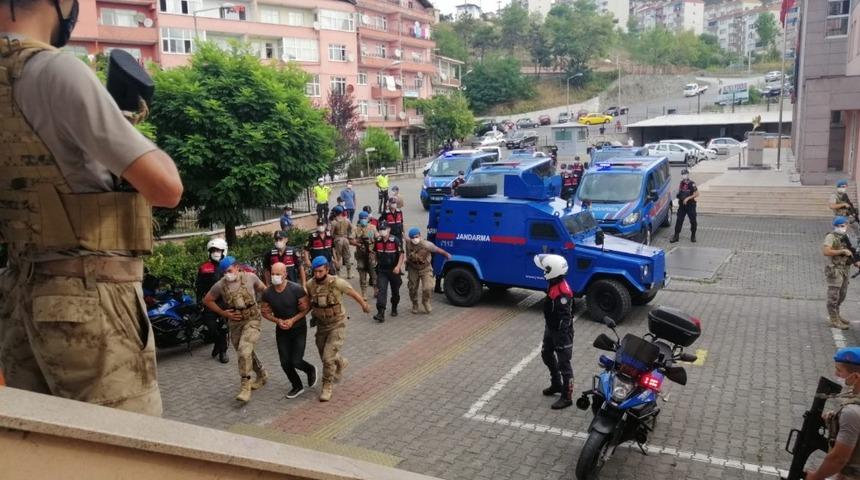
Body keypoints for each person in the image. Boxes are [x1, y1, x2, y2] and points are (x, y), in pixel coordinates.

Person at [0, 4, 184, 417]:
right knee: (124, 448)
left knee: (49, 446)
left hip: (18, 300)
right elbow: (165, 188)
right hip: (87, 299)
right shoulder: (55, 71)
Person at [203, 257, 269, 403]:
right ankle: (262, 374)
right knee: (245, 351)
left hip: (252, 319)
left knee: (244, 350)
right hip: (235, 322)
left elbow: (265, 291)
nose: (227, 274)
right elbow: (207, 300)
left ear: (237, 267)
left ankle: (245, 386)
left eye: (229, 271)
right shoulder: (220, 285)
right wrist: (223, 313)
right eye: (224, 272)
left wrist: (266, 306)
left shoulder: (250, 278)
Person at [306, 256, 370, 401]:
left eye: (320, 271)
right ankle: (341, 362)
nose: (317, 275)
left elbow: (353, 293)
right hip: (321, 326)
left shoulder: (337, 283)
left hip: (337, 324)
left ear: (327, 269)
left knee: (328, 359)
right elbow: (308, 303)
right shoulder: (310, 284)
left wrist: (364, 305)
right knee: (325, 355)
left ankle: (327, 386)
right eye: (315, 272)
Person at [260, 263, 317, 399]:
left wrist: (292, 320)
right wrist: (278, 321)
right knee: (285, 362)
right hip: (281, 330)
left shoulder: (296, 289)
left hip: (298, 328)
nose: (275, 277)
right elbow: (265, 312)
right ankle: (297, 385)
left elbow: (307, 308)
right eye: (273, 274)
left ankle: (310, 369)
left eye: (278, 274)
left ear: (285, 274)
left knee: (296, 360)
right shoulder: (267, 293)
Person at [805, 347, 860, 480]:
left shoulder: (852, 412)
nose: (836, 374)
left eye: (839, 370)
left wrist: (816, 477)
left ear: (856, 377)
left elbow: (839, 459)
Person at [534, 254, 575, 410]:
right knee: (546, 353)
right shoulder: (553, 282)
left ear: (553, 271)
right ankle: (556, 384)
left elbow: (566, 318)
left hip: (561, 332)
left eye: (545, 269)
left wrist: (562, 339)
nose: (543, 271)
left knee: (564, 364)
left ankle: (567, 396)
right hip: (551, 328)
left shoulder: (563, 292)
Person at [823, 216, 860, 330]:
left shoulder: (846, 236)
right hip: (835, 270)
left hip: (845, 269)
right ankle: (833, 319)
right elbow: (826, 251)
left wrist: (856, 262)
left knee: (842, 294)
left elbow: (851, 253)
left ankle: (837, 314)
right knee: (833, 295)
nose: (840, 228)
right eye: (838, 226)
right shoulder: (831, 236)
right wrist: (841, 251)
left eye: (843, 225)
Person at [196, 238, 230, 364]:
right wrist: (199, 301)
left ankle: (223, 351)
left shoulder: (227, 266)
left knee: (223, 328)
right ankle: (218, 343)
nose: (216, 253)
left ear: (223, 251)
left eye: (218, 250)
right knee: (211, 328)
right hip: (209, 301)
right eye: (213, 250)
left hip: (224, 302)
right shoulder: (204, 267)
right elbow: (199, 286)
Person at [405, 228, 451, 314]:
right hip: (413, 268)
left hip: (425, 268)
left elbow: (437, 250)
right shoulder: (408, 243)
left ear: (420, 235)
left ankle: (425, 301)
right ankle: (415, 304)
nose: (414, 239)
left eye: (416, 237)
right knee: (412, 288)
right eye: (412, 238)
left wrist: (447, 254)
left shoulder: (427, 244)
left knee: (428, 287)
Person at [372, 221, 405, 322]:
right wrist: (375, 261)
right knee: (381, 290)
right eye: (380, 229)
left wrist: (398, 266)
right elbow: (375, 252)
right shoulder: (377, 240)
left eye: (384, 229)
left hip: (394, 270)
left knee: (395, 292)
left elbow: (401, 254)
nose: (382, 231)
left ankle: (394, 307)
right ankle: (380, 313)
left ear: (389, 229)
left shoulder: (395, 240)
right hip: (382, 270)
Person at [351, 211, 378, 300]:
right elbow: (351, 240)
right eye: (362, 219)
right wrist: (358, 244)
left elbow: (377, 238)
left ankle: (376, 291)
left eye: (365, 218)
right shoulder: (356, 229)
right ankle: (364, 293)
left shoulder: (373, 228)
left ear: (368, 219)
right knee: (362, 274)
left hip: (371, 254)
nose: (363, 220)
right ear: (359, 219)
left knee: (373, 273)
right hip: (361, 255)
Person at [669, 168, 699, 243]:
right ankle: (676, 236)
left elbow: (697, 194)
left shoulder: (692, 184)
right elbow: (680, 192)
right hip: (682, 205)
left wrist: (688, 198)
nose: (684, 176)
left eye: (685, 174)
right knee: (679, 220)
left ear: (688, 175)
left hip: (690, 205)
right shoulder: (681, 183)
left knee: (693, 220)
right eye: (682, 174)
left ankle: (693, 235)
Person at [330, 205, 353, 279]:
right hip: (345, 239)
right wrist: (348, 235)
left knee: (338, 257)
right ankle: (349, 274)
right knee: (347, 257)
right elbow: (351, 229)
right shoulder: (347, 220)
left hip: (337, 240)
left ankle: (338, 274)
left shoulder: (334, 222)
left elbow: (331, 234)